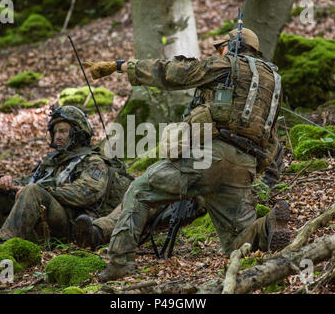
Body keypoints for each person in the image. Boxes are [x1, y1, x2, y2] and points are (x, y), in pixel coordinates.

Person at [82, 27, 292, 282]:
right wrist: (254, 171)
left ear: (235, 45)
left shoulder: (228, 64)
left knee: (139, 190)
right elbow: (272, 138)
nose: (217, 52)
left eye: (221, 47)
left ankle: (119, 264)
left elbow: (173, 73)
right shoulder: (272, 80)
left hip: (208, 157)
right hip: (244, 165)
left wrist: (121, 66)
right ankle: (269, 224)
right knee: (237, 241)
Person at [0, 105, 132, 258]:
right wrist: (5, 182)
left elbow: (87, 192)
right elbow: (28, 182)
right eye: (55, 132)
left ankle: (0, 248)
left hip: (69, 225)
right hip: (35, 222)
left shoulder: (93, 161)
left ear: (77, 133)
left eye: (63, 131)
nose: (57, 136)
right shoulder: (51, 162)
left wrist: (44, 190)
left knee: (33, 191)